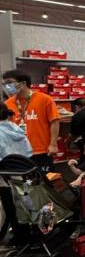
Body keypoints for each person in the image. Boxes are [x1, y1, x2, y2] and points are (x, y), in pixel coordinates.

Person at [2, 69, 60, 169]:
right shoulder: (8, 104)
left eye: (9, 82)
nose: (7, 86)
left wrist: (53, 144)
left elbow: (54, 122)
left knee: (46, 177)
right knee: (24, 178)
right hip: (19, 152)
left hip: (42, 150)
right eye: (4, 84)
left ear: (23, 83)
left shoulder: (45, 99)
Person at [0, 101, 32, 245]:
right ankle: (26, 233)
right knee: (26, 205)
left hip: (6, 178)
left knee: (10, 208)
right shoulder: (16, 128)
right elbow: (29, 152)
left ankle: (19, 237)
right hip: (25, 175)